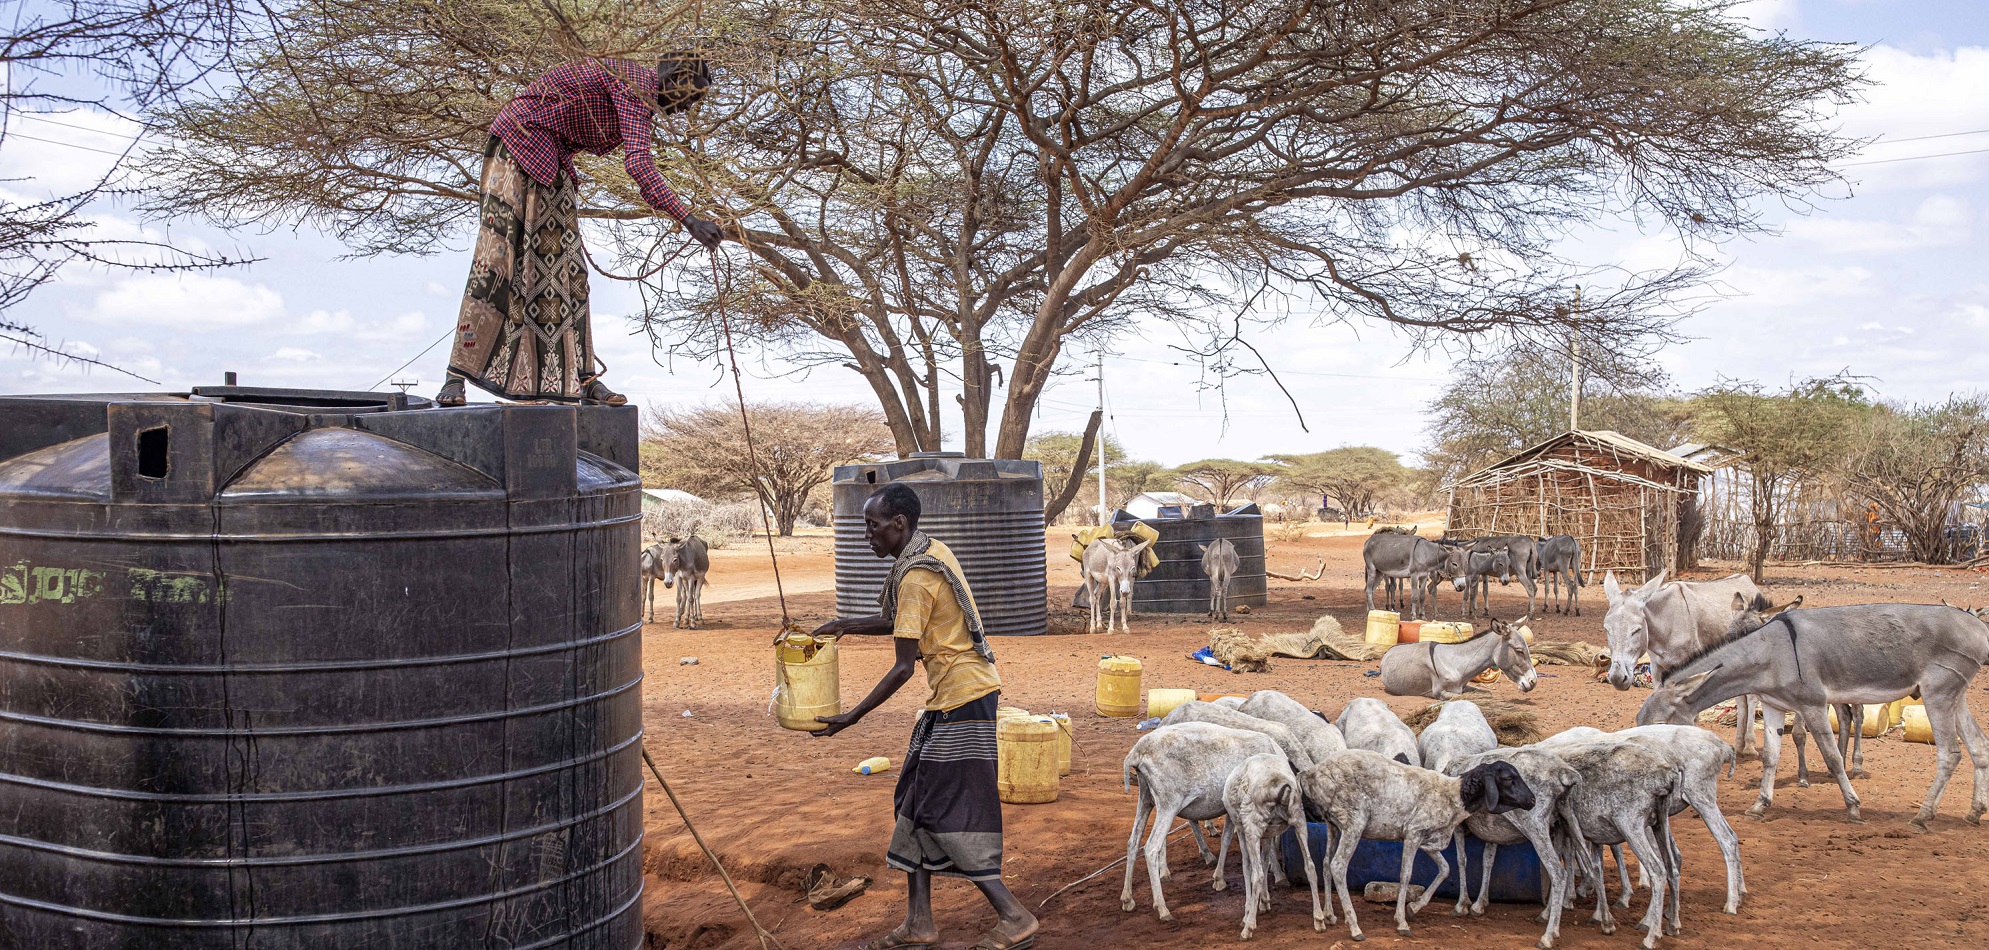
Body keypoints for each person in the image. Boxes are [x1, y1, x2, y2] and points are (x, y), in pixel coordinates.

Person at [808, 483, 1039, 950]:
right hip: (952, 697)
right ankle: (919, 924)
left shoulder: (914, 577)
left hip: (964, 699)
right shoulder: (930, 551)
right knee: (912, 799)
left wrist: (852, 717)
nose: (867, 536)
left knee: (939, 809)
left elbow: (902, 665)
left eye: (872, 527)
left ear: (898, 524)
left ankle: (1014, 916)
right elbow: (909, 624)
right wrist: (847, 624)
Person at [437, 55, 724, 408]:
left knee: (568, 270)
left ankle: (581, 377)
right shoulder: (636, 87)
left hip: (549, 158)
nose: (687, 109)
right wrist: (689, 220)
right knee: (498, 259)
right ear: (676, 78)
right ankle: (457, 375)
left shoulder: (635, 89)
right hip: (518, 146)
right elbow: (638, 163)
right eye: (691, 97)